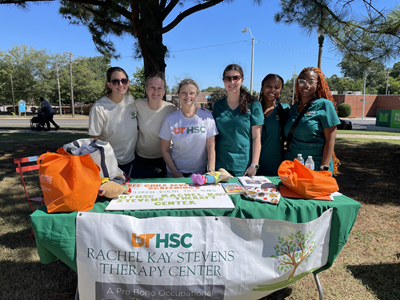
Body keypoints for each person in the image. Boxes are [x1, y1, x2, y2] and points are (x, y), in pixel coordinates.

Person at [284, 67, 340, 174]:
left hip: (316, 163)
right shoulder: (293, 108)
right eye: (302, 81)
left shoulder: (324, 105)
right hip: (292, 162)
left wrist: (324, 167)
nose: (306, 85)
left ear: (318, 84)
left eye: (311, 82)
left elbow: (330, 140)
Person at [159, 78, 218, 178]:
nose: (188, 96)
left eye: (191, 93)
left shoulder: (207, 116)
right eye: (184, 93)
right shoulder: (170, 119)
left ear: (197, 96)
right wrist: (176, 173)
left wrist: (211, 172)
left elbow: (211, 147)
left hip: (200, 174)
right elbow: (164, 149)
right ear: (178, 95)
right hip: (174, 174)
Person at [212, 64, 263, 177]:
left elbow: (257, 137)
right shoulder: (218, 106)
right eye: (228, 78)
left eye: (236, 78)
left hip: (243, 166)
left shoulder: (254, 104)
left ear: (242, 79)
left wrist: (254, 165)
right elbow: (213, 137)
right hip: (221, 165)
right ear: (223, 81)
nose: (232, 82)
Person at [88, 67, 138, 177]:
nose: (121, 84)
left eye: (124, 81)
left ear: (128, 82)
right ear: (109, 84)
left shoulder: (131, 100)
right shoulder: (99, 108)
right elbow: (94, 141)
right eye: (116, 81)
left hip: (131, 161)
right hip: (109, 165)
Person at [133, 72, 178, 178]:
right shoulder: (138, 105)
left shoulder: (171, 109)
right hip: (142, 158)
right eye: (152, 87)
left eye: (160, 88)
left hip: (164, 158)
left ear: (164, 91)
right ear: (146, 88)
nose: (156, 91)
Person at [258, 74, 290, 176]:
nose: (272, 90)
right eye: (268, 86)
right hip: (252, 164)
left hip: (275, 165)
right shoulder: (252, 108)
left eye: (277, 87)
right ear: (262, 87)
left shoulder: (285, 110)